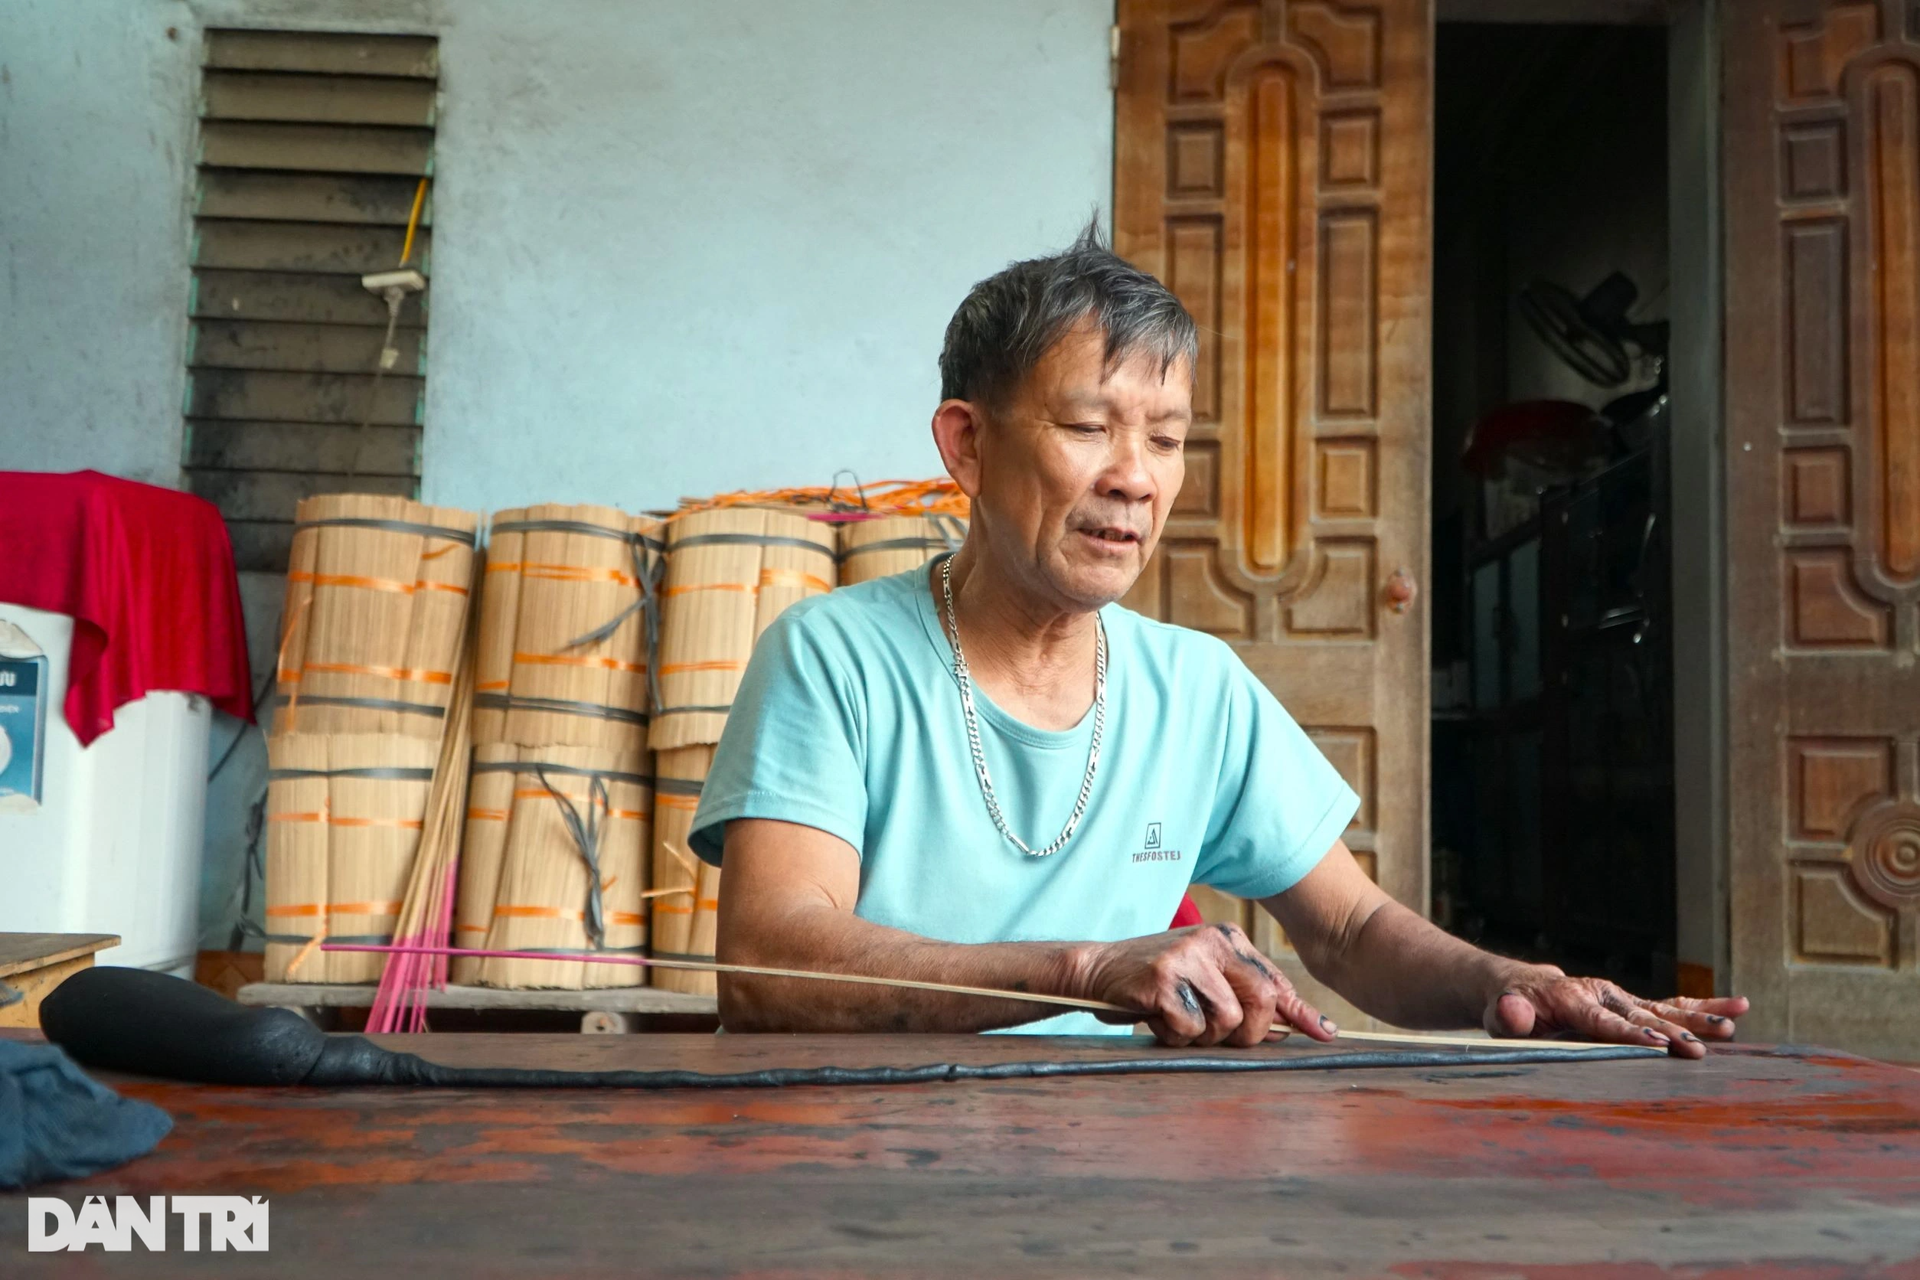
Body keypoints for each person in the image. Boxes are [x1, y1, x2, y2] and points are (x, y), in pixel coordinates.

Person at [686, 224, 1747, 1054]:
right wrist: (1086, 967)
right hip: (851, 1156)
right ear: (967, 443)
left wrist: (1504, 981)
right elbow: (770, 959)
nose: (1135, 477)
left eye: (1165, 437)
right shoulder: (831, 659)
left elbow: (1350, 929)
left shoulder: (1194, 685)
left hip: (1116, 1167)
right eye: (1089, 426)